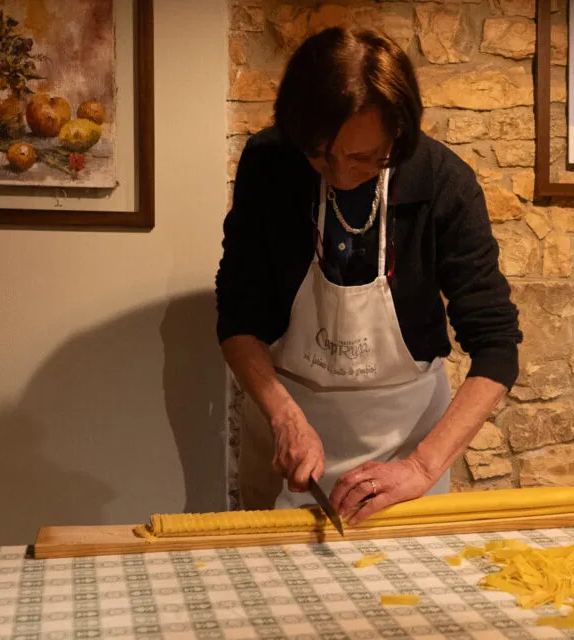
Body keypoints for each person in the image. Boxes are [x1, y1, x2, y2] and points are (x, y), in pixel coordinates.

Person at [214, 26, 522, 524]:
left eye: (361, 157)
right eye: (319, 154)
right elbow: (236, 317)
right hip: (287, 429)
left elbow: (497, 349)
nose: (337, 174)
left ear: (398, 135)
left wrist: (422, 467)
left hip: (405, 439)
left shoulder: (445, 184)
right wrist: (284, 416)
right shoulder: (271, 164)